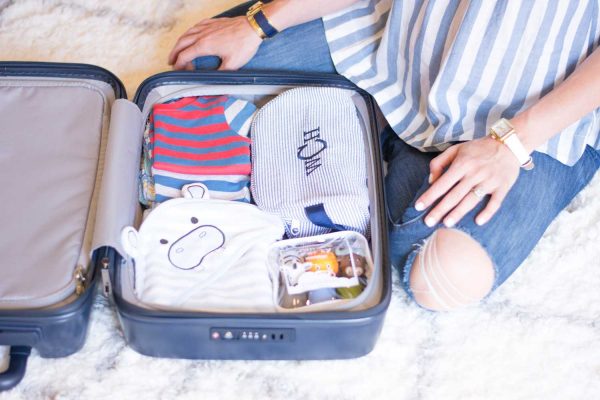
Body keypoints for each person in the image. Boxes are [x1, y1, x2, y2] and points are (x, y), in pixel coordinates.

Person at [168, 0, 600, 311]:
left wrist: (511, 142)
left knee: (444, 276)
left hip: (537, 110)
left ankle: (386, 134)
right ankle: (383, 125)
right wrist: (259, 23)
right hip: (403, 45)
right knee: (199, 66)